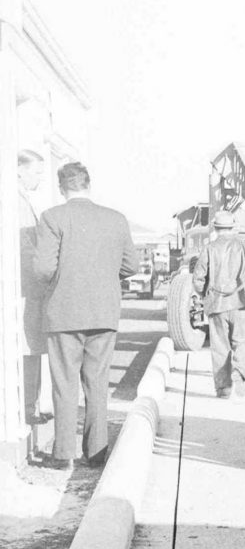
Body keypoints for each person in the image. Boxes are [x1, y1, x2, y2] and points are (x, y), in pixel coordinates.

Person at [33, 161, 138, 470]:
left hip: (63, 313)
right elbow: (130, 266)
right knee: (97, 383)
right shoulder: (116, 219)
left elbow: (42, 269)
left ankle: (63, 454)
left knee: (65, 384)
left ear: (61, 188)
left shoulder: (52, 217)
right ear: (88, 184)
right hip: (104, 313)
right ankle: (96, 452)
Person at [192, 210, 245, 399]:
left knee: (220, 347)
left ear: (215, 227)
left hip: (216, 304)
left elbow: (198, 279)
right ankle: (239, 371)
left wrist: (205, 296)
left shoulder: (208, 248)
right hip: (241, 303)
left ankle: (223, 389)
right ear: (233, 226)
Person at [17, 149, 51, 426]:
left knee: (32, 347)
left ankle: (30, 406)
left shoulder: (22, 201)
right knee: (29, 347)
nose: (40, 178)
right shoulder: (15, 202)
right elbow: (27, 250)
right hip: (27, 290)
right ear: (20, 169)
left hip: (30, 290)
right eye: (36, 172)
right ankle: (27, 408)